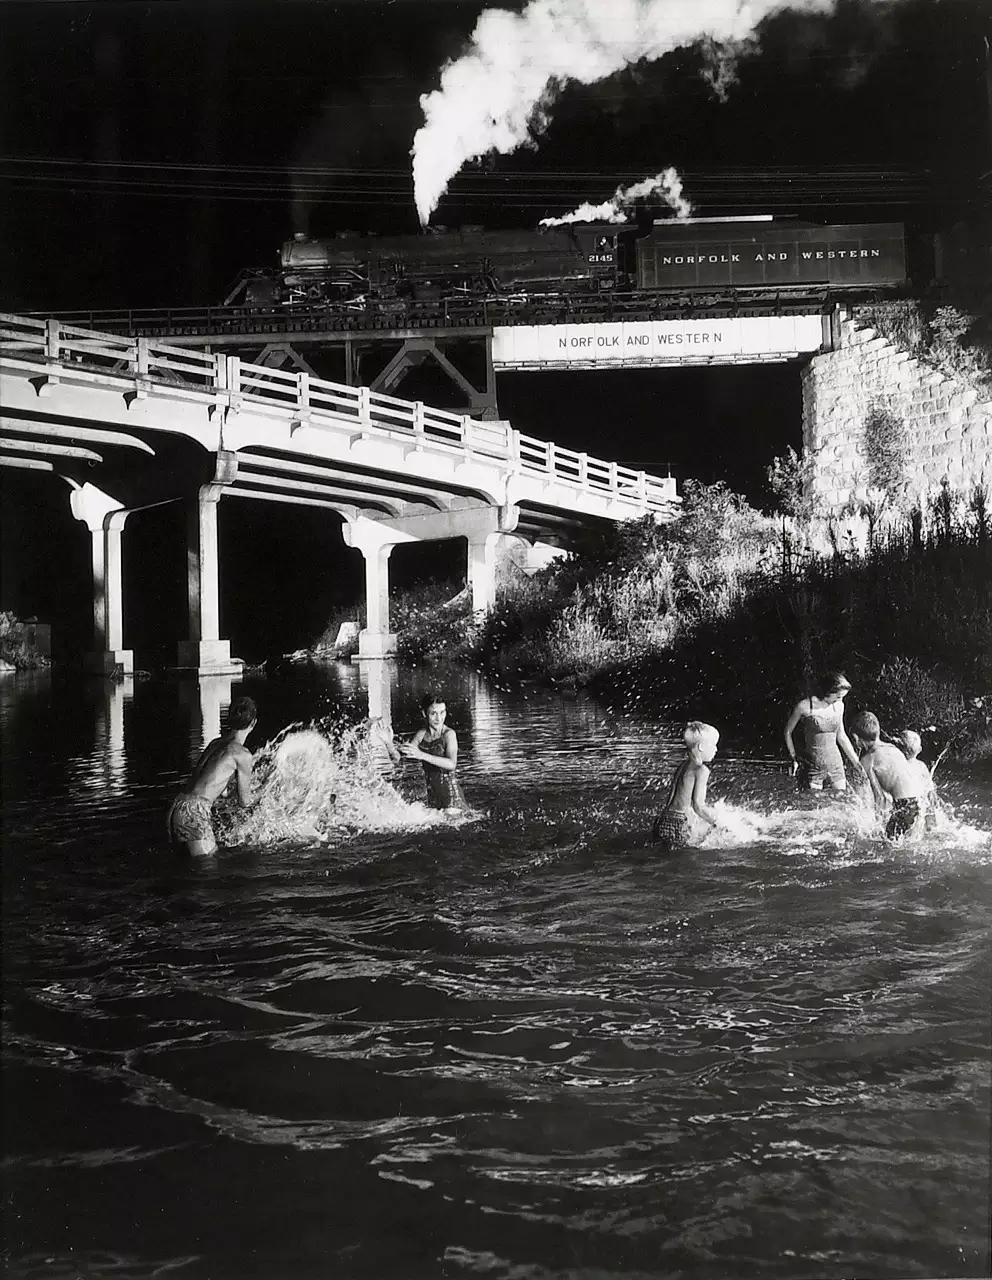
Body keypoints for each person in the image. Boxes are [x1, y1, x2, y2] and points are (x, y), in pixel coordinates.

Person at [167, 696, 258, 855]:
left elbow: (204, 780)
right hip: (194, 811)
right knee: (208, 869)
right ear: (253, 723)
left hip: (177, 804)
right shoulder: (242, 755)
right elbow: (244, 802)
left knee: (185, 866)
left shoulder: (215, 743)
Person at [849, 711, 927, 840]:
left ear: (856, 738)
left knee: (884, 845)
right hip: (917, 802)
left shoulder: (868, 760)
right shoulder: (892, 747)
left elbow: (878, 797)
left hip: (904, 806)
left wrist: (875, 823)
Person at [783, 670, 861, 792]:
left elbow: (841, 736)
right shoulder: (804, 706)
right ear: (828, 691)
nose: (840, 700)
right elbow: (788, 732)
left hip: (836, 764)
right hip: (814, 766)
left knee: (840, 803)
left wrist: (857, 763)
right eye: (838, 697)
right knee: (814, 806)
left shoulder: (839, 705)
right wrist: (793, 758)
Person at [652, 721, 721, 851]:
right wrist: (717, 823)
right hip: (678, 823)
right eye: (713, 745)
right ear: (701, 747)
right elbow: (698, 806)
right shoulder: (701, 770)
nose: (716, 749)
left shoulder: (682, 766)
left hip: (663, 819)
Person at [398, 693, 467, 810]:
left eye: (442, 712)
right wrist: (388, 743)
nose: (439, 718)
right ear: (424, 714)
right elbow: (400, 759)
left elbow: (452, 764)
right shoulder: (421, 734)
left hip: (451, 796)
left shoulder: (449, 734)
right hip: (433, 796)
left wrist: (422, 755)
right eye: (433, 713)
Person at [896, 729, 939, 830]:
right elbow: (930, 792)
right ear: (919, 749)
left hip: (907, 805)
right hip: (921, 804)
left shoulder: (898, 766)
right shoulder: (921, 766)